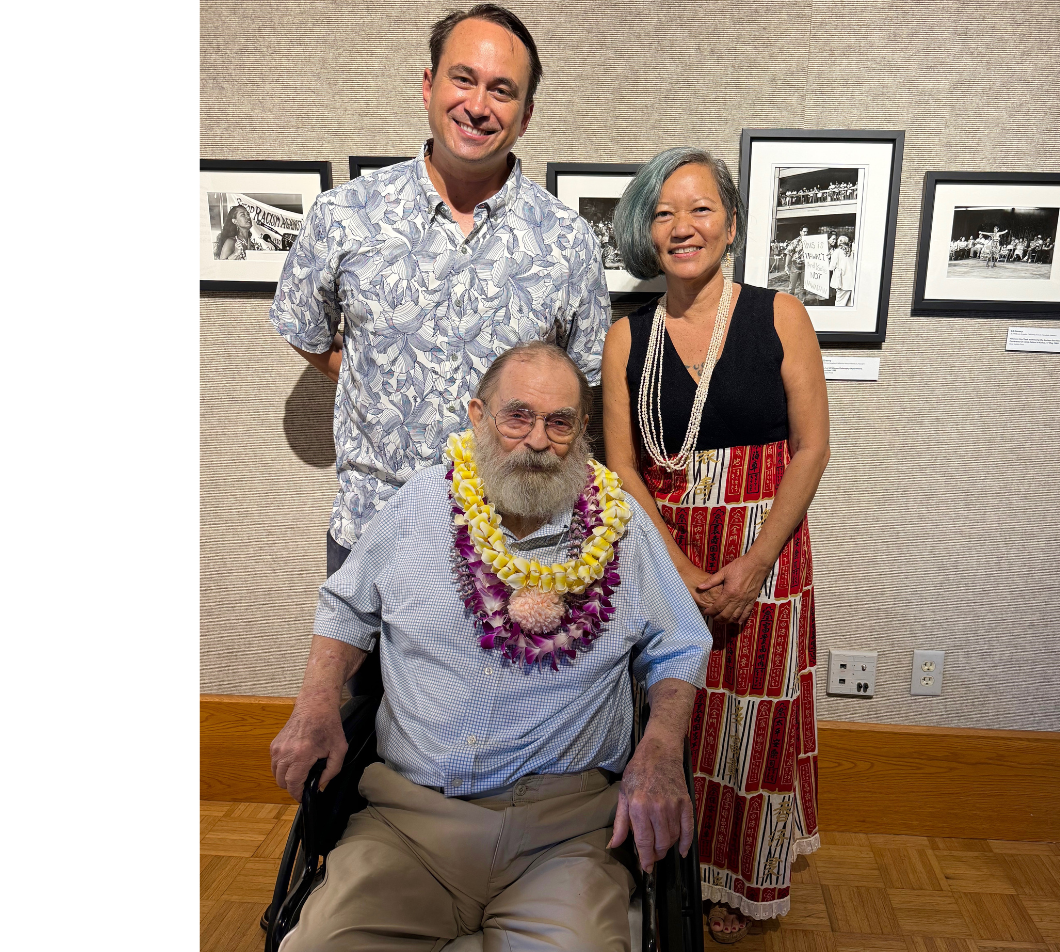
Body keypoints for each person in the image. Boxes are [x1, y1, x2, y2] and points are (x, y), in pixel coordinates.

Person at [270, 342, 714, 951]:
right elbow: (347, 605)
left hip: (568, 833)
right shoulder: (421, 505)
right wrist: (316, 704)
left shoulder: (621, 525)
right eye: (518, 416)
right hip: (410, 822)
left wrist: (661, 747)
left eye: (559, 423)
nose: (538, 441)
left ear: (581, 430)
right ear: (478, 416)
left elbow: (680, 641)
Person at [268, 4, 610, 600]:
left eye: (501, 90)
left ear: (526, 115)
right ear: (429, 85)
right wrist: (375, 379)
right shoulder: (344, 215)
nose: (478, 106)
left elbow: (580, 383)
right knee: (347, 667)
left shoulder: (568, 241)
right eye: (463, 79)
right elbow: (305, 328)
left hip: (515, 549)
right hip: (374, 533)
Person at [602, 148, 831, 944]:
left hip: (764, 554)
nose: (681, 226)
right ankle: (670, 868)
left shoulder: (779, 315)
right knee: (674, 715)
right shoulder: (627, 337)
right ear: (645, 230)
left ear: (730, 226)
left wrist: (753, 562)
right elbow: (622, 466)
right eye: (663, 212)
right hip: (665, 552)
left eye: (699, 209)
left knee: (752, 722)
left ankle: (743, 878)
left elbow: (811, 448)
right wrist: (683, 570)